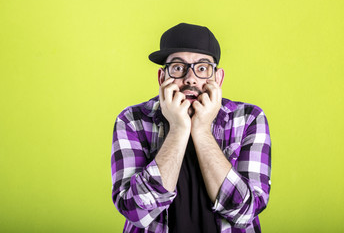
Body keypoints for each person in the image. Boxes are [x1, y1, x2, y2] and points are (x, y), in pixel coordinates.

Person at [111, 23, 271, 233]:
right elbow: (135, 212)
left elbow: (245, 213)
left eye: (202, 68)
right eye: (178, 67)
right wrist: (178, 129)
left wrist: (202, 131)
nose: (191, 78)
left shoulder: (249, 118)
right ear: (162, 78)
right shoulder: (132, 120)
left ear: (218, 78)